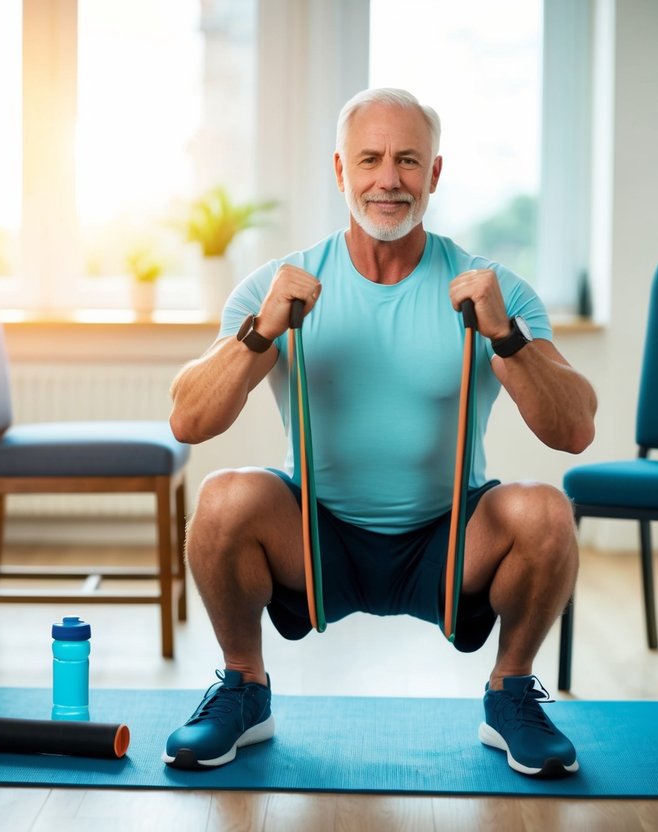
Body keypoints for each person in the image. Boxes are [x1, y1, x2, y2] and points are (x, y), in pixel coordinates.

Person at [162, 88, 597, 778]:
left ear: (434, 174)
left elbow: (573, 428)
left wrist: (504, 337)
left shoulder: (492, 290)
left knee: (544, 512)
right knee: (221, 499)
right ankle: (243, 687)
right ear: (340, 171)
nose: (388, 179)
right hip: (314, 539)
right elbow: (189, 418)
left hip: (451, 541)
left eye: (407, 161)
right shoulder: (279, 288)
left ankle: (510, 692)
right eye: (369, 159)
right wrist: (261, 331)